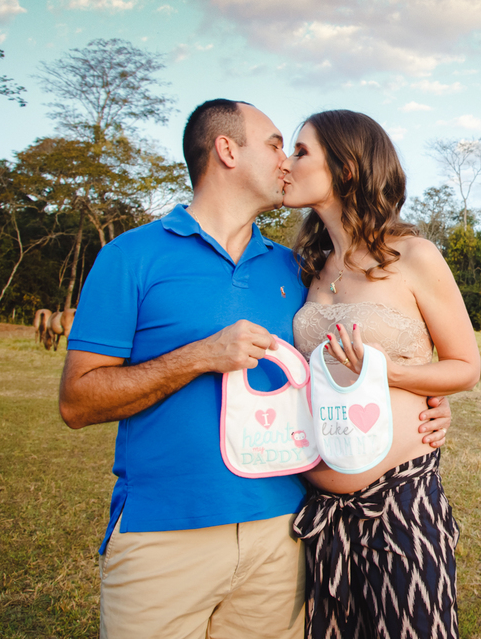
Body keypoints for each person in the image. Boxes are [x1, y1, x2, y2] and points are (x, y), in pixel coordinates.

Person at [58, 99, 453, 639]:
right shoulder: (131, 256)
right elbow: (77, 402)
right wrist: (198, 357)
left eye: (295, 150)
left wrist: (423, 400)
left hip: (286, 534)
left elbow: (349, 356)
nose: (285, 161)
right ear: (226, 150)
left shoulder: (298, 268)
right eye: (275, 145)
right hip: (166, 533)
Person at [281, 110, 481, 639]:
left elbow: (466, 367)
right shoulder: (308, 267)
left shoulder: (414, 255)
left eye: (301, 151)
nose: (287, 162)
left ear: (347, 168)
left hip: (401, 506)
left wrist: (382, 372)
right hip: (320, 514)